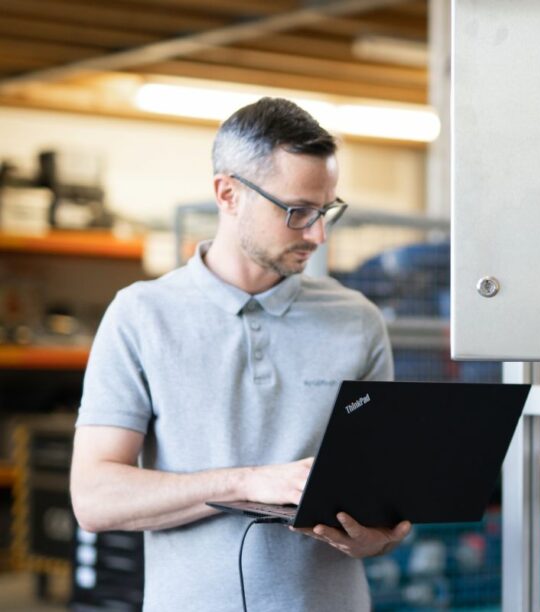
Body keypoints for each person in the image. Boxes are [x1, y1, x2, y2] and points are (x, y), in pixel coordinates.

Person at [70, 97, 411, 612]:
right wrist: (248, 481)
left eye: (326, 211)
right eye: (297, 212)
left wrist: (379, 537)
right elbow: (94, 497)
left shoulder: (357, 320)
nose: (317, 234)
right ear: (228, 194)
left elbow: (385, 498)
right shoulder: (141, 315)